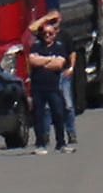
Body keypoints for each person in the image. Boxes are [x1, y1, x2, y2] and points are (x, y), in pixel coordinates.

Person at [27, 16, 76, 154]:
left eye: (50, 33)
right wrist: (49, 59)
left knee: (59, 113)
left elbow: (59, 63)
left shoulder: (59, 47)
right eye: (45, 33)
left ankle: (61, 143)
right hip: (38, 87)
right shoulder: (36, 45)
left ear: (55, 35)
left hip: (53, 87)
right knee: (39, 115)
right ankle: (40, 144)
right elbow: (32, 61)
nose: (47, 36)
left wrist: (42, 60)